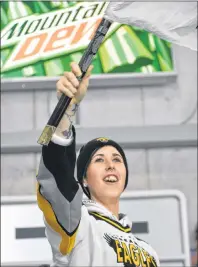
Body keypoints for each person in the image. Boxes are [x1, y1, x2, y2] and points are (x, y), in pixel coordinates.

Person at [36, 62, 160, 267]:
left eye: (117, 159)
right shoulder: (76, 223)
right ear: (84, 178)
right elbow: (55, 177)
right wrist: (65, 111)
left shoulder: (150, 253)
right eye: (99, 159)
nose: (111, 165)